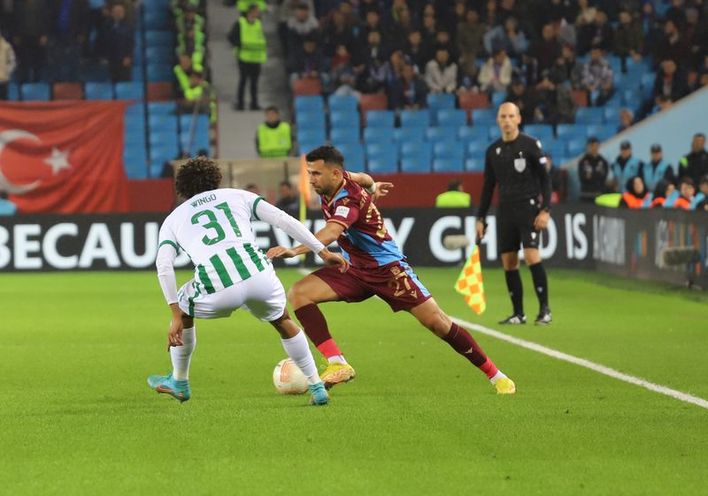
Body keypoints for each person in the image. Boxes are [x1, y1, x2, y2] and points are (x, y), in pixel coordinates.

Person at [267, 145, 516, 395]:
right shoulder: (341, 179)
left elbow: (332, 232)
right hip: (353, 268)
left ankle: (497, 376)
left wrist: (294, 250)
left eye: (316, 174)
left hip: (389, 271)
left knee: (438, 323)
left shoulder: (347, 199)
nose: (311, 180)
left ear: (335, 174)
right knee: (299, 293)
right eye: (309, 173)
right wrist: (374, 187)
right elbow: (364, 177)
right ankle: (337, 363)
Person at [148, 157, 348, 406]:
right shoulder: (237, 195)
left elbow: (163, 265)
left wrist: (176, 314)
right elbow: (284, 220)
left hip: (217, 287)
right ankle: (316, 386)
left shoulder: (173, 219)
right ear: (216, 179)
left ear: (182, 188)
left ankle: (179, 380)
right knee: (283, 320)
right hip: (259, 276)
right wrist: (323, 251)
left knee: (184, 304)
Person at [476, 102, 552, 326]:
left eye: (511, 116)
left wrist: (545, 209)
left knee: (531, 256)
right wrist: (481, 217)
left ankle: (544, 310)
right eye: (503, 116)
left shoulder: (530, 145)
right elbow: (488, 186)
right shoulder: (493, 151)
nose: (507, 120)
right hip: (505, 210)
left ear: (518, 119)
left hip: (529, 208)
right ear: (498, 120)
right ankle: (518, 313)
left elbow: (546, 179)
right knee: (509, 262)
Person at [229, 4, 266, 110]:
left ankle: (254, 103)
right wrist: (240, 45)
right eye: (256, 11)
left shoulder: (258, 23)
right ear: (251, 11)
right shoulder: (240, 23)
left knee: (254, 82)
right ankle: (240, 103)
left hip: (256, 58)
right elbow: (231, 37)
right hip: (243, 57)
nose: (258, 13)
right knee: (243, 81)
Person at [577, 136, 610, 203]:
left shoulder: (603, 161)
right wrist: (597, 175)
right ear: (588, 147)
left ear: (598, 146)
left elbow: (603, 178)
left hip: (599, 194)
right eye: (591, 146)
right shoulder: (582, 161)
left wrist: (590, 175)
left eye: (596, 145)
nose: (594, 148)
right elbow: (582, 178)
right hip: (586, 194)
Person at [0, 32, 16, 100]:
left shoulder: (7, 47)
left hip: (3, 80)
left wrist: (7, 71)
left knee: (4, 101)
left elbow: (13, 62)